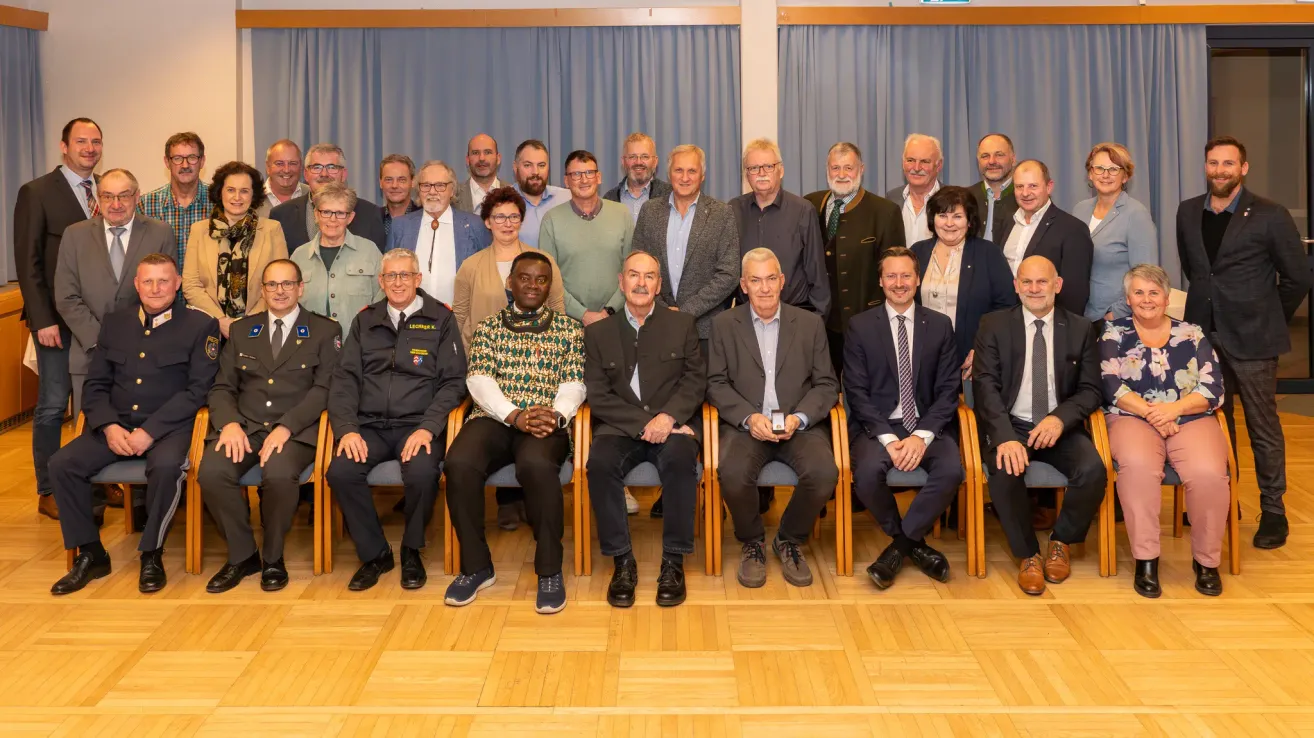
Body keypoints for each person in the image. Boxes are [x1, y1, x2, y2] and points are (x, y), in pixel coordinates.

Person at [48, 254, 221, 595]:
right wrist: (110, 426)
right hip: (117, 425)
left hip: (170, 428)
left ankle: (151, 553)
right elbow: (96, 385)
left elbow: (198, 390)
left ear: (177, 283)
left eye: (163, 281)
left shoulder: (201, 326)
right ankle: (91, 553)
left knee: (168, 466)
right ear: (136, 285)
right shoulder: (116, 322)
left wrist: (150, 431)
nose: (155, 288)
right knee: (62, 464)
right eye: (148, 281)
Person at [1176, 135, 1313, 549]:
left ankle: (1273, 512)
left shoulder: (1271, 214)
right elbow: (1197, 271)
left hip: (1253, 339)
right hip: (1201, 338)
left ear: (1243, 168)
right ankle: (1222, 500)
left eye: (1228, 164)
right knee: (1213, 426)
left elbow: (1298, 278)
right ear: (1206, 167)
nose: (1220, 170)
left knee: (1263, 428)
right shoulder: (1187, 212)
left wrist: (1269, 315)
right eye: (1213, 163)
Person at [443, 252, 586, 615]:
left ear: (549, 284)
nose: (533, 285)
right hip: (495, 418)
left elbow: (575, 383)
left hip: (546, 420)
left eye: (541, 279)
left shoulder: (569, 329)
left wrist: (556, 414)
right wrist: (514, 415)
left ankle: (550, 570)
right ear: (511, 282)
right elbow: (478, 380)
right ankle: (477, 566)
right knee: (458, 463)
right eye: (525, 278)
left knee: (537, 467)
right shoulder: (489, 328)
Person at [326, 248, 467, 592]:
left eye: (405, 275)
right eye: (391, 276)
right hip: (368, 426)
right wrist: (346, 430)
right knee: (341, 472)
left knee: (421, 473)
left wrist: (429, 427)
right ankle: (375, 553)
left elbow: (454, 382)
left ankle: (411, 549)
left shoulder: (441, 318)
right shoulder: (365, 320)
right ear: (381, 281)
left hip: (416, 426)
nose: (398, 282)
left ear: (418, 279)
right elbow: (344, 380)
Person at [971, 255, 1106, 596]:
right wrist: (1003, 436)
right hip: (1011, 422)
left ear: (1057, 286)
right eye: (1026, 282)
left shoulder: (1080, 328)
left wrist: (1060, 419)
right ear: (1016, 286)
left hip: (1058, 425)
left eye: (1042, 282)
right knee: (1004, 471)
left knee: (1093, 470)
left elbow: (1091, 390)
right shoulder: (994, 325)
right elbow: (984, 386)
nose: (1034, 289)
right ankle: (1028, 553)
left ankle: (1061, 542)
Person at [707, 248, 840, 589]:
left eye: (770, 279)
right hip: (747, 426)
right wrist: (749, 418)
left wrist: (799, 418)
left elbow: (826, 384)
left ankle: (788, 538)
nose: (764, 288)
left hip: (798, 426)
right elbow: (715, 383)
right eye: (755, 280)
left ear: (782, 282)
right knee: (732, 474)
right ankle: (752, 542)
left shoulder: (809, 324)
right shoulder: (723, 325)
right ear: (743, 285)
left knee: (825, 473)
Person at [584, 251, 706, 607]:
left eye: (649, 276)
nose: (641, 283)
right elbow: (598, 394)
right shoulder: (598, 333)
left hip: (672, 426)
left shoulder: (682, 324)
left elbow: (695, 380)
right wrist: (643, 425)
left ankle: (673, 561)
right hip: (619, 428)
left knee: (683, 461)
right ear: (621, 283)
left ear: (658, 285)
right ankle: (622, 562)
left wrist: (668, 418)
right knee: (600, 465)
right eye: (633, 275)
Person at [1100, 264, 1229, 597]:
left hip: (1189, 416)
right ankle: (1146, 560)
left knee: (1208, 474)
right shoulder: (1114, 333)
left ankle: (1206, 562)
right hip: (1132, 418)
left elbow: (1213, 387)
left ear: (1167, 297)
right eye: (1139, 292)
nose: (1147, 300)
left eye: (1154, 292)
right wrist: (1152, 413)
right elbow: (1110, 384)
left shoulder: (1193, 333)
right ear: (1128, 298)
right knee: (1139, 470)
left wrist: (1174, 409)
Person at [844, 247, 962, 589]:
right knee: (866, 474)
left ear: (918, 279)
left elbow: (948, 389)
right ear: (880, 281)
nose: (899, 283)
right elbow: (856, 392)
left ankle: (898, 548)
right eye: (891, 276)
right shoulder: (860, 326)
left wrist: (920, 435)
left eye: (906, 275)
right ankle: (914, 546)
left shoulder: (940, 325)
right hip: (878, 427)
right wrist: (890, 439)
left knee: (952, 470)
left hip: (927, 426)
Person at [14, 117, 103, 520]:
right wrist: (41, 318)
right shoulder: (36, 192)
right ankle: (49, 488)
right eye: (81, 141)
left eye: (96, 141)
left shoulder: (107, 191)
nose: (89, 147)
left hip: (98, 320)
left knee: (97, 402)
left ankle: (97, 479)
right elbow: (27, 261)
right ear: (63, 146)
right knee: (52, 405)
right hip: (55, 321)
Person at [55, 168, 175, 417]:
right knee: (90, 437)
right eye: (108, 196)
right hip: (90, 352)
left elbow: (165, 292)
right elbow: (66, 297)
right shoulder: (74, 235)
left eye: (124, 196)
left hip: (146, 353)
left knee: (139, 437)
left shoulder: (160, 232)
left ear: (137, 197)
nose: (116, 204)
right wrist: (101, 341)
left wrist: (134, 340)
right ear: (98, 198)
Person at [804, 142, 905, 373]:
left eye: (848, 168)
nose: (841, 175)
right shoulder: (809, 203)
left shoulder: (885, 211)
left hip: (866, 325)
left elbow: (894, 272)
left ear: (861, 169)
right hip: (819, 324)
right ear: (827, 170)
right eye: (835, 168)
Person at [633, 144, 740, 351]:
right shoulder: (650, 212)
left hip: (705, 331)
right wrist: (664, 311)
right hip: (657, 325)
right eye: (678, 170)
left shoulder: (722, 214)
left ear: (702, 175)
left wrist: (686, 312)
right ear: (669, 173)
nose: (685, 177)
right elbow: (638, 265)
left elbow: (729, 273)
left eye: (692, 171)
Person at [909, 185, 1018, 376]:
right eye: (942, 215)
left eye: (957, 216)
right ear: (932, 219)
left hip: (971, 361)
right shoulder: (917, 252)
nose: (949, 223)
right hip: (922, 359)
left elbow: (1007, 309)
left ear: (969, 221)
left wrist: (984, 350)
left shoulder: (989, 253)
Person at [183, 161, 289, 339]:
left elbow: (279, 283)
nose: (237, 197)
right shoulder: (199, 230)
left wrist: (248, 321)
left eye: (244, 191)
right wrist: (220, 320)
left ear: (253, 195)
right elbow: (191, 284)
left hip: (259, 329)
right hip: (209, 328)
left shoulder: (272, 229)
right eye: (231, 190)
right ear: (220, 192)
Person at [454, 186, 564, 349]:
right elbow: (459, 316)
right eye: (499, 217)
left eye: (514, 217)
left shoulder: (544, 261)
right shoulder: (470, 266)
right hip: (484, 357)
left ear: (521, 220)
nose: (507, 224)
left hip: (536, 356)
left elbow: (557, 307)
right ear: (487, 222)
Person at [730, 138, 830, 317]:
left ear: (781, 170)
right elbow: (727, 271)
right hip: (746, 318)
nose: (761, 173)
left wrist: (817, 323)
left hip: (794, 315)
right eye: (754, 168)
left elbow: (817, 274)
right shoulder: (733, 210)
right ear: (747, 175)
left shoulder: (803, 210)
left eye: (768, 166)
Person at [539, 150, 634, 327]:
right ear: (566, 181)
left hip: (616, 319)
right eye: (576, 174)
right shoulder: (551, 220)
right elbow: (548, 277)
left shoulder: (622, 214)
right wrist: (582, 314)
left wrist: (610, 310)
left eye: (589, 173)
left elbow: (631, 271)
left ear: (599, 177)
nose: (584, 180)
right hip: (568, 323)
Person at [1071, 143, 1158, 322]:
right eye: (1099, 168)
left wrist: (1114, 315)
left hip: (1115, 318)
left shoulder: (1136, 214)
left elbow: (1146, 277)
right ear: (1090, 173)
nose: (1105, 175)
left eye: (1113, 169)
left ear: (1125, 176)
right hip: (1081, 315)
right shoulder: (1079, 210)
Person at [385, 160, 492, 306]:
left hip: (458, 319)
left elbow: (486, 277)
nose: (433, 191)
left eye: (440, 185)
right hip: (410, 318)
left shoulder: (475, 225)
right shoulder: (400, 226)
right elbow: (388, 275)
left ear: (452, 190)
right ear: (418, 189)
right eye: (426, 185)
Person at [998, 160, 1094, 319]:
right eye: (1019, 186)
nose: (1025, 193)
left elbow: (1075, 294)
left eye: (1033, 186)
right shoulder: (1007, 221)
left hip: (1047, 326)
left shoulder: (1073, 229)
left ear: (1049, 187)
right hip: (1007, 322)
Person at [289, 183, 384, 332]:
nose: (332, 219)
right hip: (310, 347)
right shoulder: (298, 256)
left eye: (340, 213)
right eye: (326, 212)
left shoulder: (370, 251)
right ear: (316, 214)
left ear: (350, 217)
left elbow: (383, 300)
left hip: (357, 346)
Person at [269, 143, 387, 251]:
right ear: (306, 174)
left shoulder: (370, 214)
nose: (324, 174)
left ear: (343, 174)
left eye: (332, 167)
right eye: (317, 167)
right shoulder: (281, 215)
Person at [137, 131, 210, 268]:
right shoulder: (145, 205)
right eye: (177, 158)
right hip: (161, 288)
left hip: (205, 289)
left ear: (202, 161)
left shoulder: (218, 202)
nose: (185, 165)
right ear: (167, 162)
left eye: (192, 157)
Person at [885, 134, 944, 246]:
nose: (916, 168)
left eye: (925, 161)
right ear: (903, 163)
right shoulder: (891, 199)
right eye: (910, 160)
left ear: (939, 165)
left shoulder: (953, 200)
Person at [511, 139, 571, 246]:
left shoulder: (567, 198)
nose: (535, 172)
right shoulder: (502, 202)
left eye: (541, 165)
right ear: (515, 168)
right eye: (528, 165)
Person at [603, 132, 673, 222]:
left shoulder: (671, 195)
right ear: (623, 161)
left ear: (655, 162)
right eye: (632, 157)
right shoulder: (609, 199)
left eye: (645, 156)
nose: (638, 162)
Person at [969, 133, 1019, 244]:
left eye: (999, 155)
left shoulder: (1026, 198)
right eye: (985, 156)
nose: (992, 161)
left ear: (1013, 159)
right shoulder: (965, 197)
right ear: (978, 161)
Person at [453, 133, 507, 214]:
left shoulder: (513, 193)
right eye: (475, 153)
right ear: (467, 160)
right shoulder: (453, 196)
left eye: (488, 152)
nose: (481, 158)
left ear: (498, 158)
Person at [259, 139, 309, 215]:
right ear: (268, 167)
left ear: (301, 166)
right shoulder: (252, 198)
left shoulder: (312, 195)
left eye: (293, 163)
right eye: (279, 163)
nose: (286, 170)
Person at [378, 153, 420, 240]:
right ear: (381, 183)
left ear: (412, 182)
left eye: (402, 180)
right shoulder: (372, 218)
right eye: (389, 180)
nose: (394, 185)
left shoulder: (425, 218)